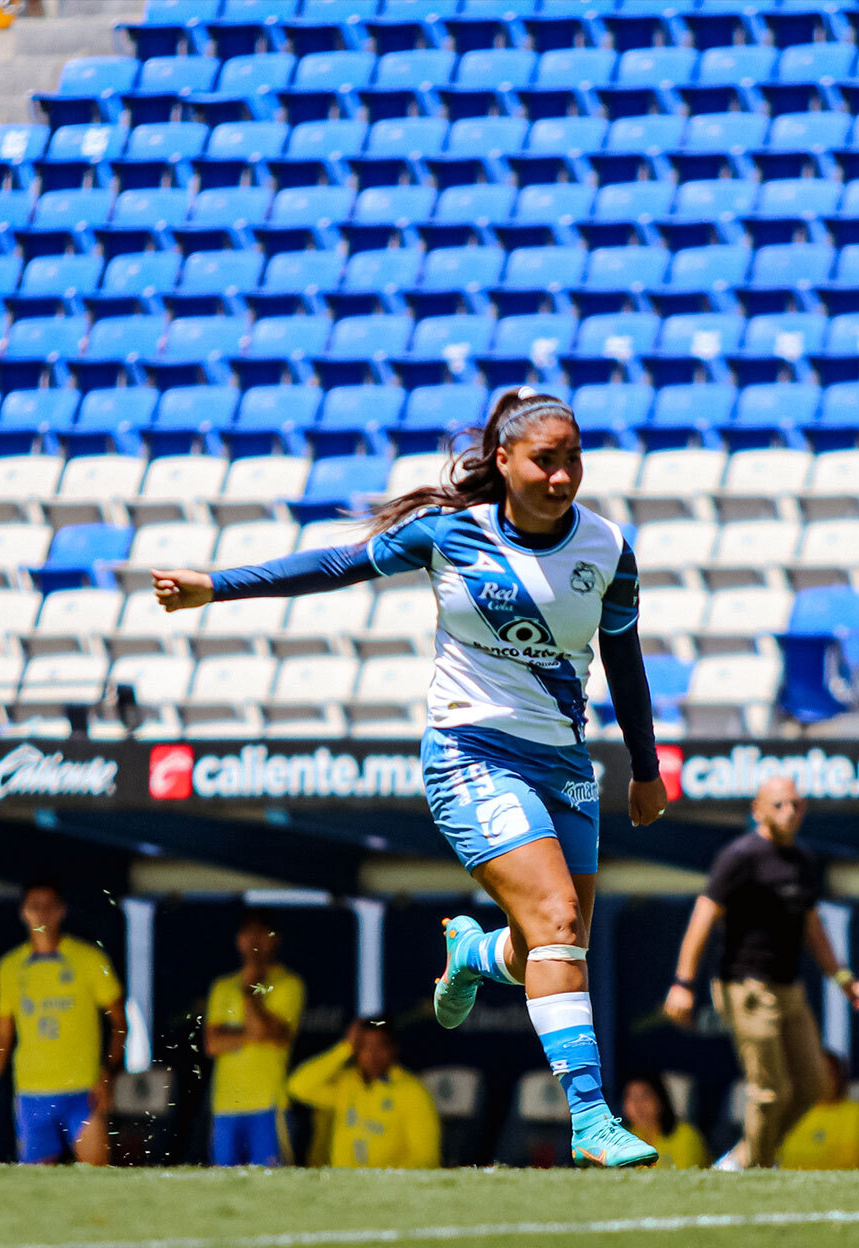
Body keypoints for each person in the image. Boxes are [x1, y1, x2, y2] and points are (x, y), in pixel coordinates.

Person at [152, 390, 669, 1168]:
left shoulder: (607, 548)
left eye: (573, 459)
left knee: (555, 943)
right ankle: (590, 1116)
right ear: (504, 461)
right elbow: (333, 565)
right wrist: (214, 586)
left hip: (565, 763)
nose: (563, 477)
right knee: (559, 920)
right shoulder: (450, 533)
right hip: (471, 753)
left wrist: (645, 766)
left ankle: (471, 957)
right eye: (545, 460)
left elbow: (624, 660)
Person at [663, 777, 859, 1169]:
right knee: (769, 1091)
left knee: (815, 1085)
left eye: (796, 805)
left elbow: (812, 926)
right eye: (779, 805)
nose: (789, 812)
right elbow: (704, 914)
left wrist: (845, 980)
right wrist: (683, 982)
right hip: (745, 988)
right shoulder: (740, 856)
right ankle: (758, 1169)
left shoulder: (805, 862)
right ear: (757, 810)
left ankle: (746, 1158)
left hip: (789, 989)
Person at [0, 881, 126, 1165]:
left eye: (48, 906)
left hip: (83, 1090)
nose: (41, 914)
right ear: (23, 913)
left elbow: (119, 1022)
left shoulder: (89, 958)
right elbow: (3, 1036)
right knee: (38, 1185)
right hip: (32, 1091)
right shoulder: (10, 966)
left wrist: (108, 1073)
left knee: (99, 1178)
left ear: (61, 911)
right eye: (34, 906)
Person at [203, 909, 306, 1167]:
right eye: (248, 934)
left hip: (268, 1105)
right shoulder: (223, 986)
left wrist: (251, 991)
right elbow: (213, 1043)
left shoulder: (287, 984)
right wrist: (254, 1034)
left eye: (262, 933)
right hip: (226, 1105)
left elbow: (269, 1032)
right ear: (239, 940)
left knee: (271, 1187)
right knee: (223, 1184)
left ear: (275, 939)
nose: (255, 941)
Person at [286, 1018, 440, 1169]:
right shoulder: (346, 1084)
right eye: (364, 1046)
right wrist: (344, 1049)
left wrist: (389, 1184)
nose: (373, 1054)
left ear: (393, 1049)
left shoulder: (412, 1092)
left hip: (389, 1189)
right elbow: (297, 1087)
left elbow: (426, 1157)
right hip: (345, 1185)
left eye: (380, 1046)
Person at [777, 1052, 859, 1171]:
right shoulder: (793, 1110)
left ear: (839, 1077)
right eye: (815, 1074)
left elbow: (851, 1163)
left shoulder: (854, 1112)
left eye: (828, 1073)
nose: (822, 1080)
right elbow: (777, 1156)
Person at [619, 1071, 709, 1170]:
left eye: (645, 1097)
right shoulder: (621, 1140)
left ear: (661, 1100)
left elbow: (683, 1178)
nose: (638, 1106)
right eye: (631, 1098)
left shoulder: (685, 1135)